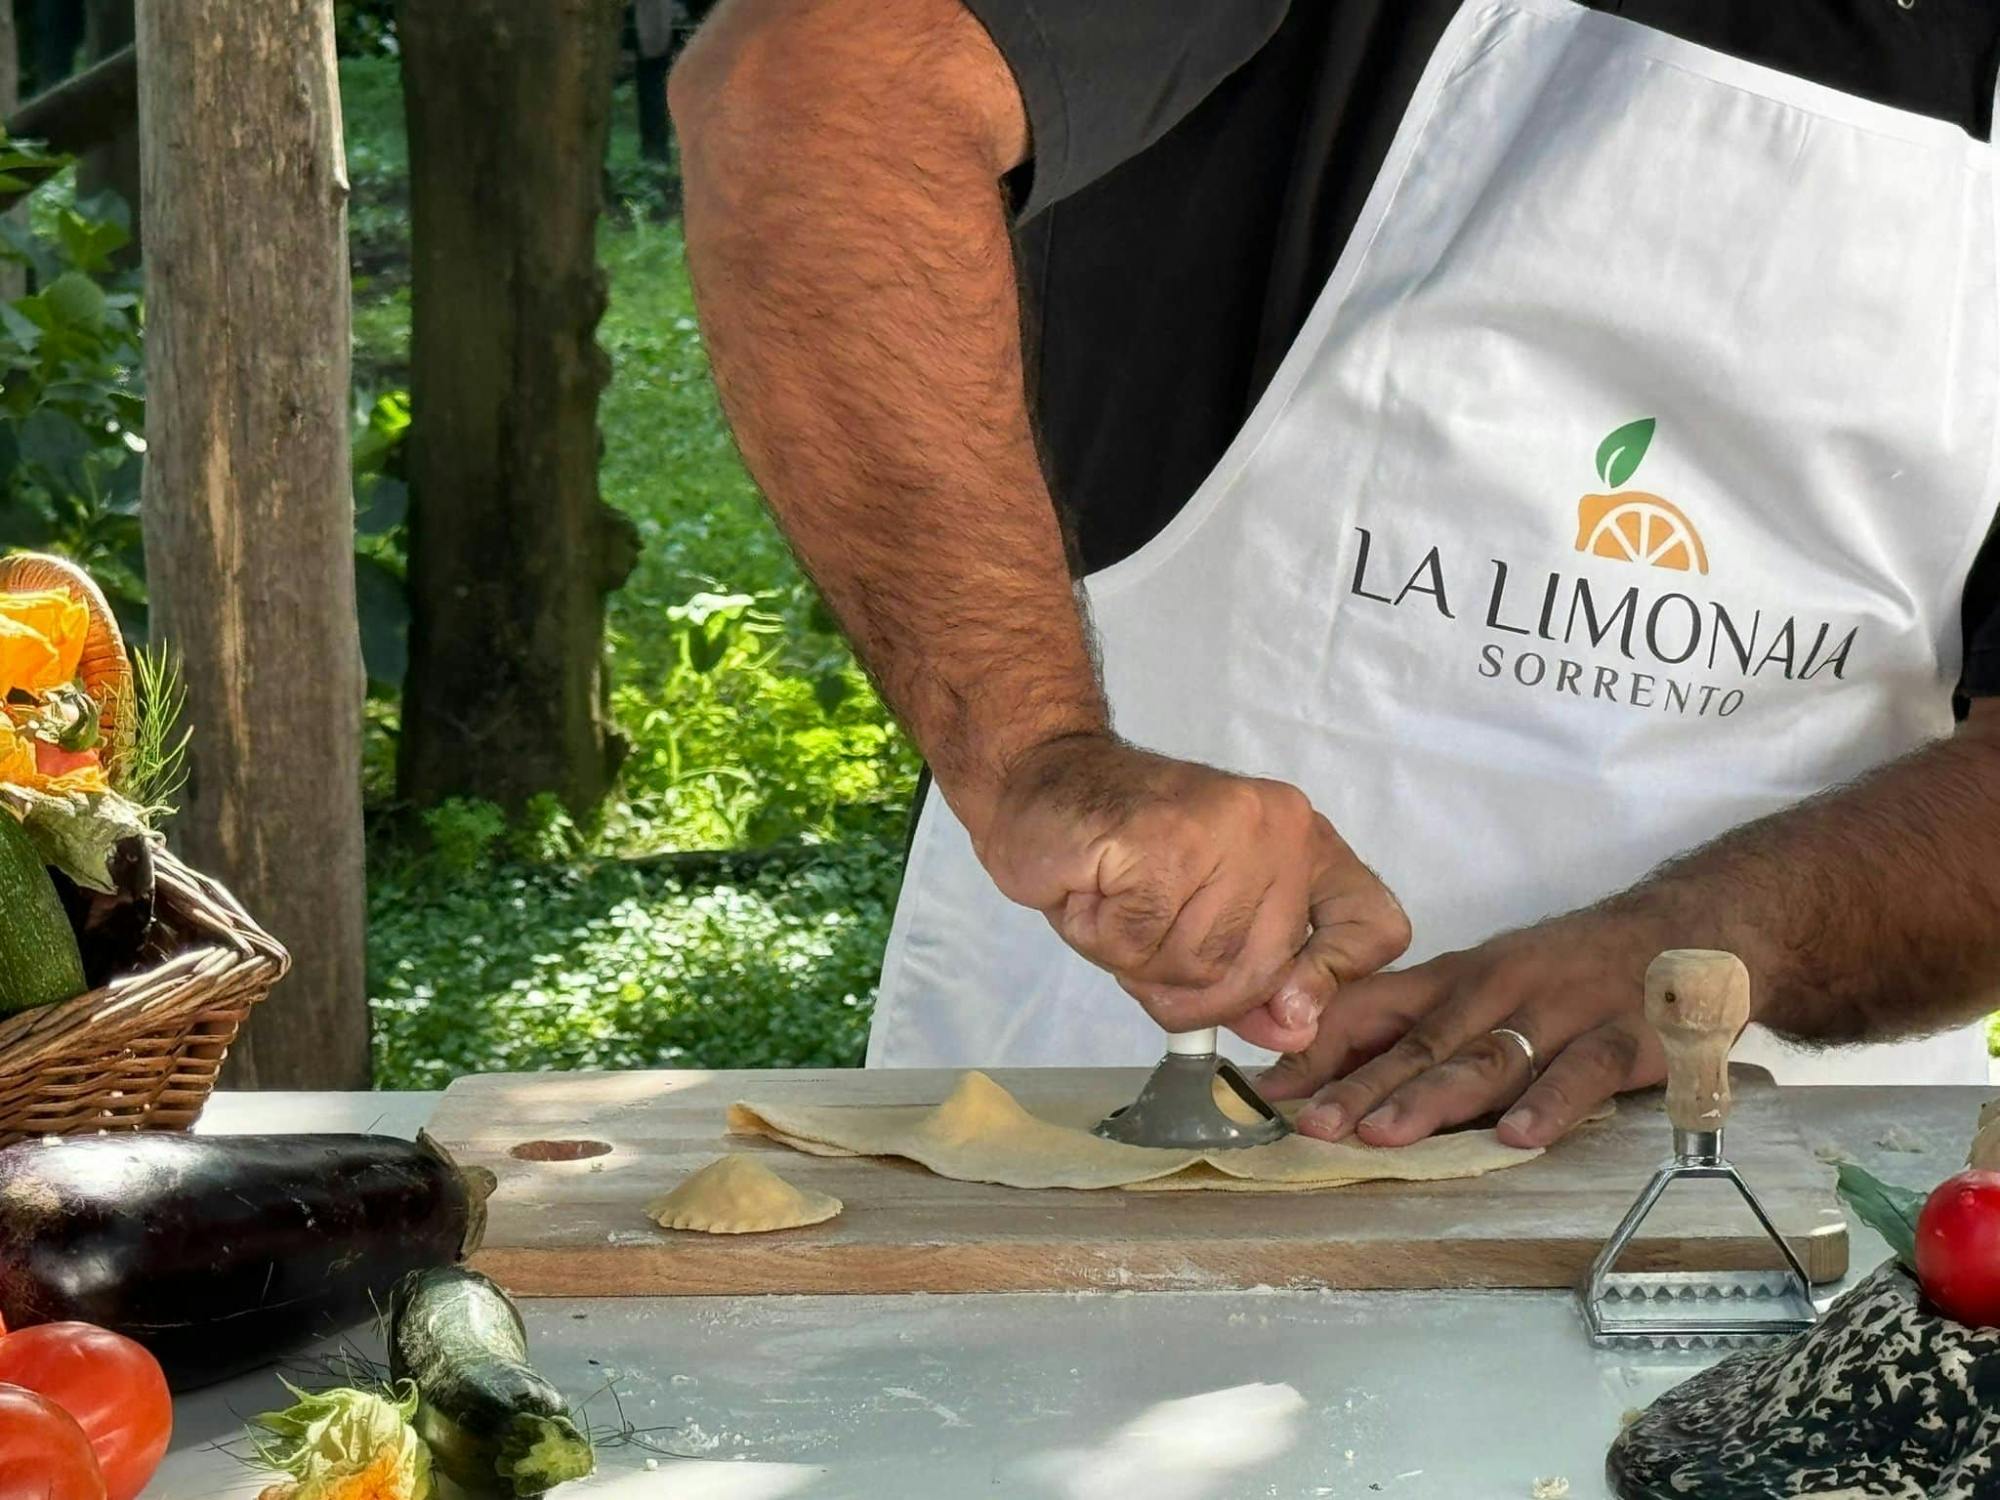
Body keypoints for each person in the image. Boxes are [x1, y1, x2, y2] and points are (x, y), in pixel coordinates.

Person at [669, 0, 2000, 1149]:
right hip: (1142, 1145)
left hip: (1775, 1220)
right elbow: (820, 88)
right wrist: (1033, 754)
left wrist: (1712, 938)